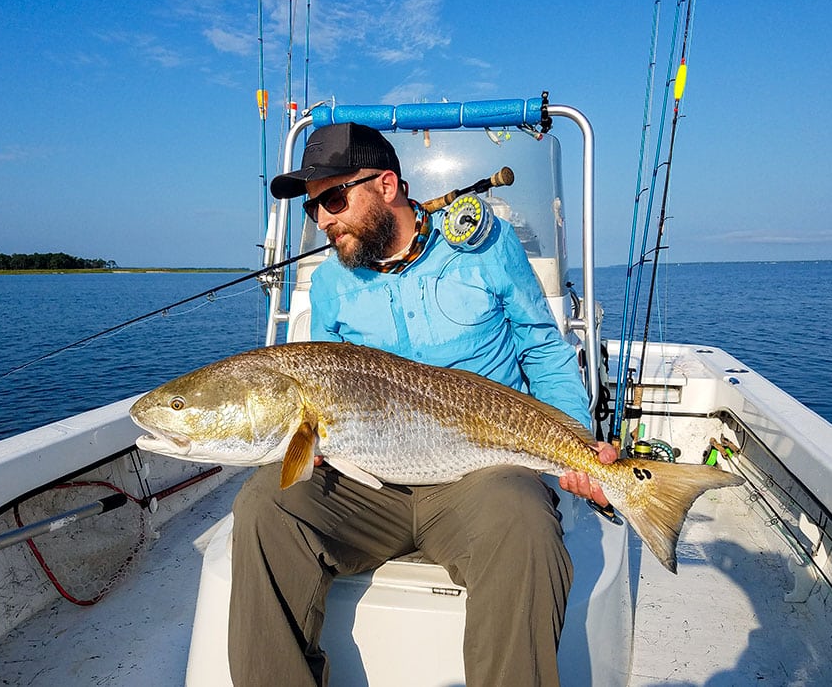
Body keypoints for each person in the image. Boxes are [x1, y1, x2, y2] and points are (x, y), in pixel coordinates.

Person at [228, 122, 618, 687]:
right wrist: (301, 443)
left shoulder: (486, 248)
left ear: (387, 185)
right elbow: (319, 392)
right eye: (312, 209)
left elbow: (541, 348)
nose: (322, 221)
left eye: (333, 200)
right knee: (265, 503)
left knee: (523, 520)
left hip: (479, 474)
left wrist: (579, 447)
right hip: (366, 484)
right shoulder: (332, 284)